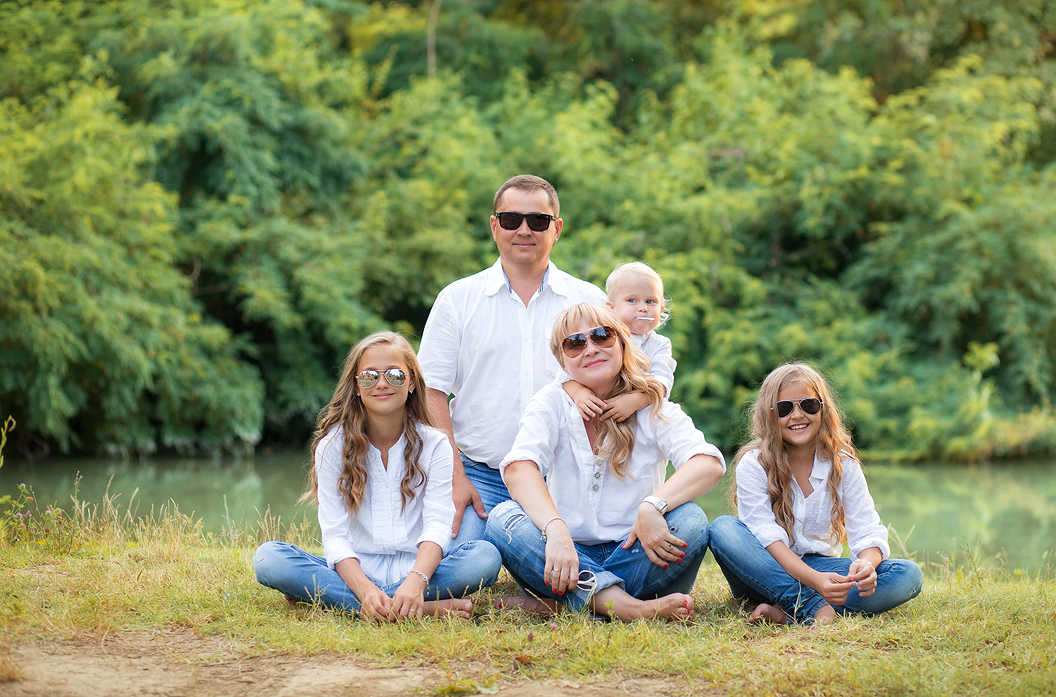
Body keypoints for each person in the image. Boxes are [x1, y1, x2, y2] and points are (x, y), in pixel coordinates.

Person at [485, 303, 725, 621]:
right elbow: (519, 468)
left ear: (623, 342)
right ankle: (630, 608)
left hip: (636, 549)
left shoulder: (654, 406)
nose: (591, 348)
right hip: (565, 550)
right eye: (575, 343)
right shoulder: (551, 402)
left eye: (602, 335)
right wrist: (556, 531)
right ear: (562, 361)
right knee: (503, 519)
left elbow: (708, 463)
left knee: (691, 520)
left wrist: (652, 506)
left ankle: (574, 602)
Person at [253, 332, 501, 621]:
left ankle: (355, 602)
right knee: (269, 559)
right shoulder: (332, 446)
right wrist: (366, 590)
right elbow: (335, 538)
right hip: (356, 573)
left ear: (411, 383)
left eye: (395, 375)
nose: (382, 383)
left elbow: (436, 527)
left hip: (421, 572)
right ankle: (419, 609)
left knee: (485, 558)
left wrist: (416, 581)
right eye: (369, 376)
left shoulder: (435, 445)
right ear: (356, 386)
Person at [418, 175, 605, 546]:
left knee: (576, 558)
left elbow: (625, 380)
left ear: (557, 229)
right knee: (464, 565)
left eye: (538, 221)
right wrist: (456, 478)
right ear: (494, 225)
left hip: (568, 478)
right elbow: (431, 391)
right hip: (481, 477)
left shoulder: (591, 301)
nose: (524, 230)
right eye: (510, 219)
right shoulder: (457, 299)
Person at [708, 362, 922, 625]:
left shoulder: (843, 464)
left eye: (808, 405)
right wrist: (815, 583)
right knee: (723, 529)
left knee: (907, 574)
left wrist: (866, 565)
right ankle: (809, 605)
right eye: (785, 408)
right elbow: (766, 536)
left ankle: (787, 613)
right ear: (769, 414)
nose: (797, 416)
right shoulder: (754, 463)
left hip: (820, 566)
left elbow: (867, 531)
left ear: (823, 409)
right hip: (763, 570)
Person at [561, 262, 676, 422]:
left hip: (641, 419)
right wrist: (580, 393)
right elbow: (563, 376)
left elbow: (662, 383)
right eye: (632, 300)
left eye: (650, 302)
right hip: (595, 414)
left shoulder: (659, 344)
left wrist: (636, 401)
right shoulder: (600, 337)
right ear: (611, 307)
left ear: (661, 309)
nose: (643, 308)